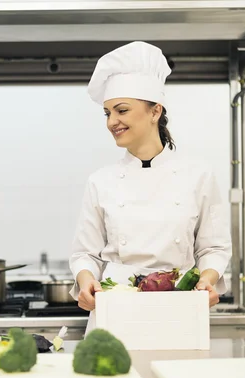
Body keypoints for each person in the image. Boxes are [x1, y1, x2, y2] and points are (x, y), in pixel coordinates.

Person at [68, 41, 232, 335]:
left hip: (179, 306)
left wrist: (207, 278)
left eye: (121, 110)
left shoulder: (198, 175)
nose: (112, 122)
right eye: (107, 113)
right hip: (115, 306)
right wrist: (85, 280)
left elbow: (214, 247)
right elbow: (85, 254)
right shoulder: (101, 180)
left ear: (155, 111)